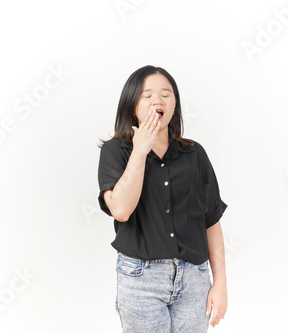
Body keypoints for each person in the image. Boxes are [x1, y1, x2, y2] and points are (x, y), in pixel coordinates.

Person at [97, 65, 228, 332]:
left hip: (195, 279)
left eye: (166, 94)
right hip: (141, 281)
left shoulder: (195, 154)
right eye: (147, 95)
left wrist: (221, 283)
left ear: (175, 105)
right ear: (132, 104)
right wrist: (140, 150)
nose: (158, 100)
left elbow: (211, 221)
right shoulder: (115, 152)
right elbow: (121, 210)